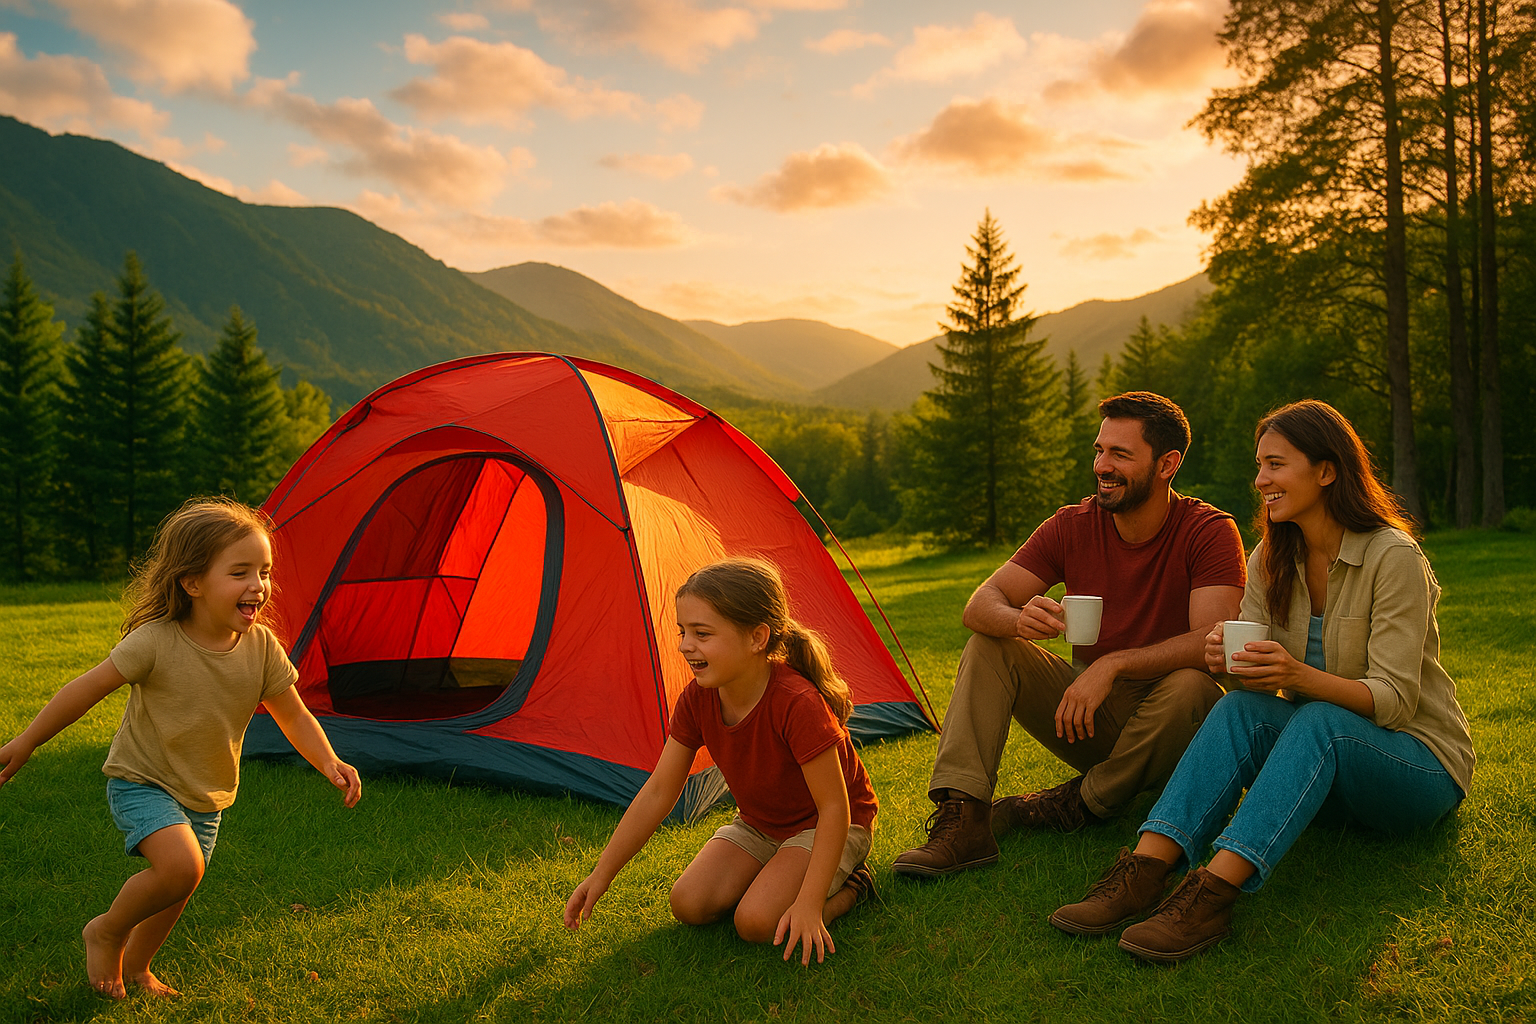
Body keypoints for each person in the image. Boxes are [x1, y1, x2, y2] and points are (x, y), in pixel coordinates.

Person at [1049, 400, 1474, 963]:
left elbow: (1394, 702)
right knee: (1236, 710)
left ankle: (1211, 893)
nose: (1260, 481)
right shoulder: (1271, 557)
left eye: (1275, 465)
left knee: (1319, 718)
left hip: (1417, 768)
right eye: (1259, 466)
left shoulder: (1392, 557)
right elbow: (1254, 695)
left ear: (1326, 471)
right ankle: (1146, 869)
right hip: (1325, 771)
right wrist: (1230, 665)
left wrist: (1297, 675)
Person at [0, 498, 362, 999]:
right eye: (239, 572)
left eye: (264, 572)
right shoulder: (156, 641)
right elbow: (85, 689)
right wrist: (26, 742)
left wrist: (328, 760)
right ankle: (105, 931)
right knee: (181, 867)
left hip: (207, 792)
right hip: (143, 779)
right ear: (192, 583)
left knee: (178, 886)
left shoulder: (261, 648)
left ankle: (138, 967)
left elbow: (293, 714)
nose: (258, 585)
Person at [895, 392, 1246, 878]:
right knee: (989, 644)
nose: (1102, 466)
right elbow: (981, 603)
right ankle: (966, 819)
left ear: (1167, 464)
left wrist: (1114, 664)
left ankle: (1077, 802)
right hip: (1088, 715)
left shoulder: (1208, 530)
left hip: (1173, 725)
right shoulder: (1071, 525)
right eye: (1099, 450)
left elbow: (1213, 640)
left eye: (1120, 454)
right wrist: (1018, 621)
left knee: (1195, 686)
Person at [564, 558, 878, 965]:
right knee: (688, 904)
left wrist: (810, 903)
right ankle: (779, 873)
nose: (685, 645)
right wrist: (601, 874)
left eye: (702, 633)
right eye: (682, 631)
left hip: (830, 825)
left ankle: (853, 887)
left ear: (757, 638)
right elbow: (659, 791)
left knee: (756, 923)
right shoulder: (697, 699)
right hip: (760, 824)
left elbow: (835, 807)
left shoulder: (797, 703)